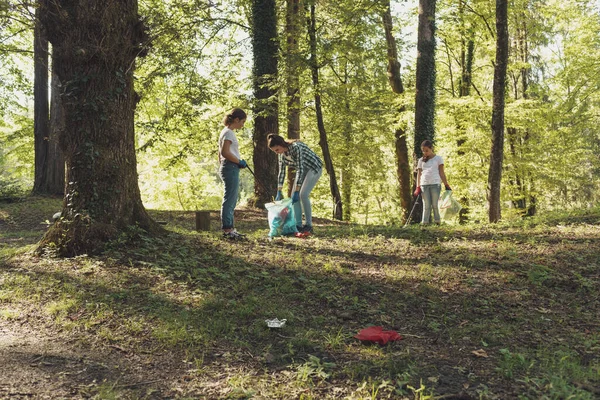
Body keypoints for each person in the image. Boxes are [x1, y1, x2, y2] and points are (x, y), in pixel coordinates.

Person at [267, 134, 323, 234]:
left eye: (277, 149)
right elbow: (282, 172)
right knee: (294, 197)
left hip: (314, 167)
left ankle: (309, 225)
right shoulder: (282, 155)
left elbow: (300, 169)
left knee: (303, 194)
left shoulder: (295, 147)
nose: (276, 152)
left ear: (281, 144)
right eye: (274, 151)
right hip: (302, 170)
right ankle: (298, 225)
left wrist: (297, 190)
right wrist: (279, 191)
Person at [218, 108, 248, 239]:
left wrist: (235, 162)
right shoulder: (229, 133)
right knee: (230, 199)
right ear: (236, 120)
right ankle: (228, 229)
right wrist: (238, 161)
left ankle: (229, 228)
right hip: (230, 167)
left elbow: (220, 154)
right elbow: (225, 152)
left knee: (231, 198)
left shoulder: (225, 132)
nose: (242, 125)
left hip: (229, 166)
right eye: (242, 121)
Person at [414, 140, 451, 225]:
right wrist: (418, 187)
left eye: (426, 150)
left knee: (435, 204)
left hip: (435, 184)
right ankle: (424, 223)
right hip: (424, 185)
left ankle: (437, 221)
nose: (425, 152)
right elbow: (419, 174)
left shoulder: (438, 158)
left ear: (431, 149)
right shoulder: (420, 160)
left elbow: (441, 172)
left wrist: (446, 184)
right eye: (423, 150)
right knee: (426, 205)